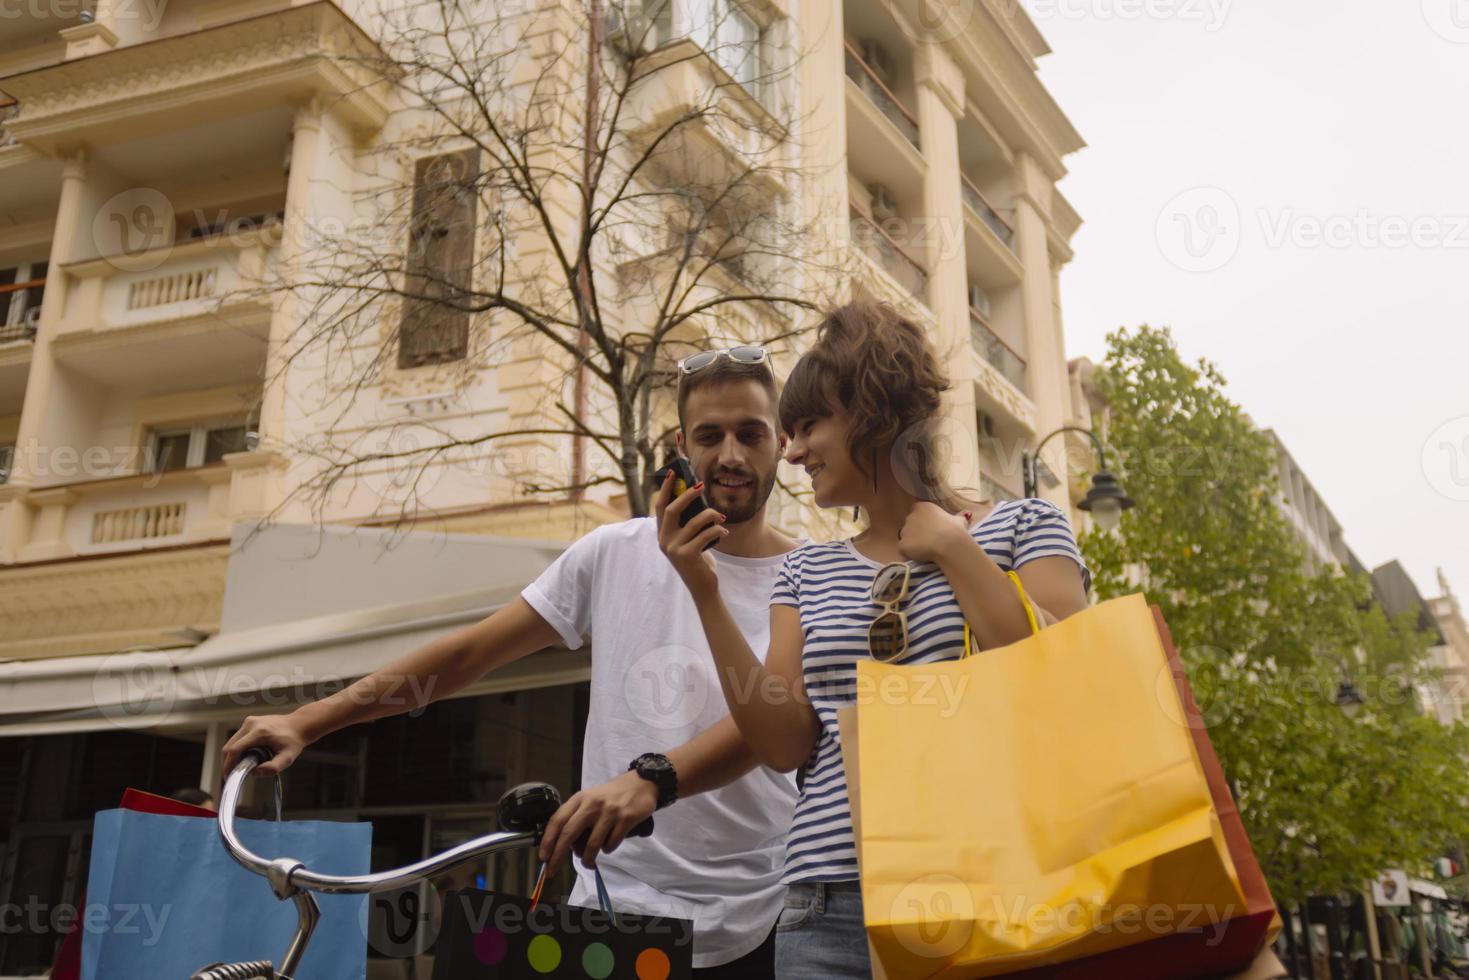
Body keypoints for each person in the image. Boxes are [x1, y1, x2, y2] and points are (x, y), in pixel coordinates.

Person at [221, 349, 800, 977]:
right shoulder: (613, 552)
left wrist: (649, 780)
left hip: (760, 919)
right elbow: (470, 654)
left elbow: (764, 729)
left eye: (751, 433)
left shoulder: (810, 575)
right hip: (615, 909)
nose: (732, 456)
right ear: (682, 446)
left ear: (782, 441)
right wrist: (308, 722)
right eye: (710, 436)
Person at [656, 300, 1093, 977]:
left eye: (806, 426)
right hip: (828, 905)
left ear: (874, 413)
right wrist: (703, 589)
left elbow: (1057, 678)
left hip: (999, 883)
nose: (792, 451)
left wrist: (954, 548)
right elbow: (782, 745)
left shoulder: (1023, 527)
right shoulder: (805, 569)